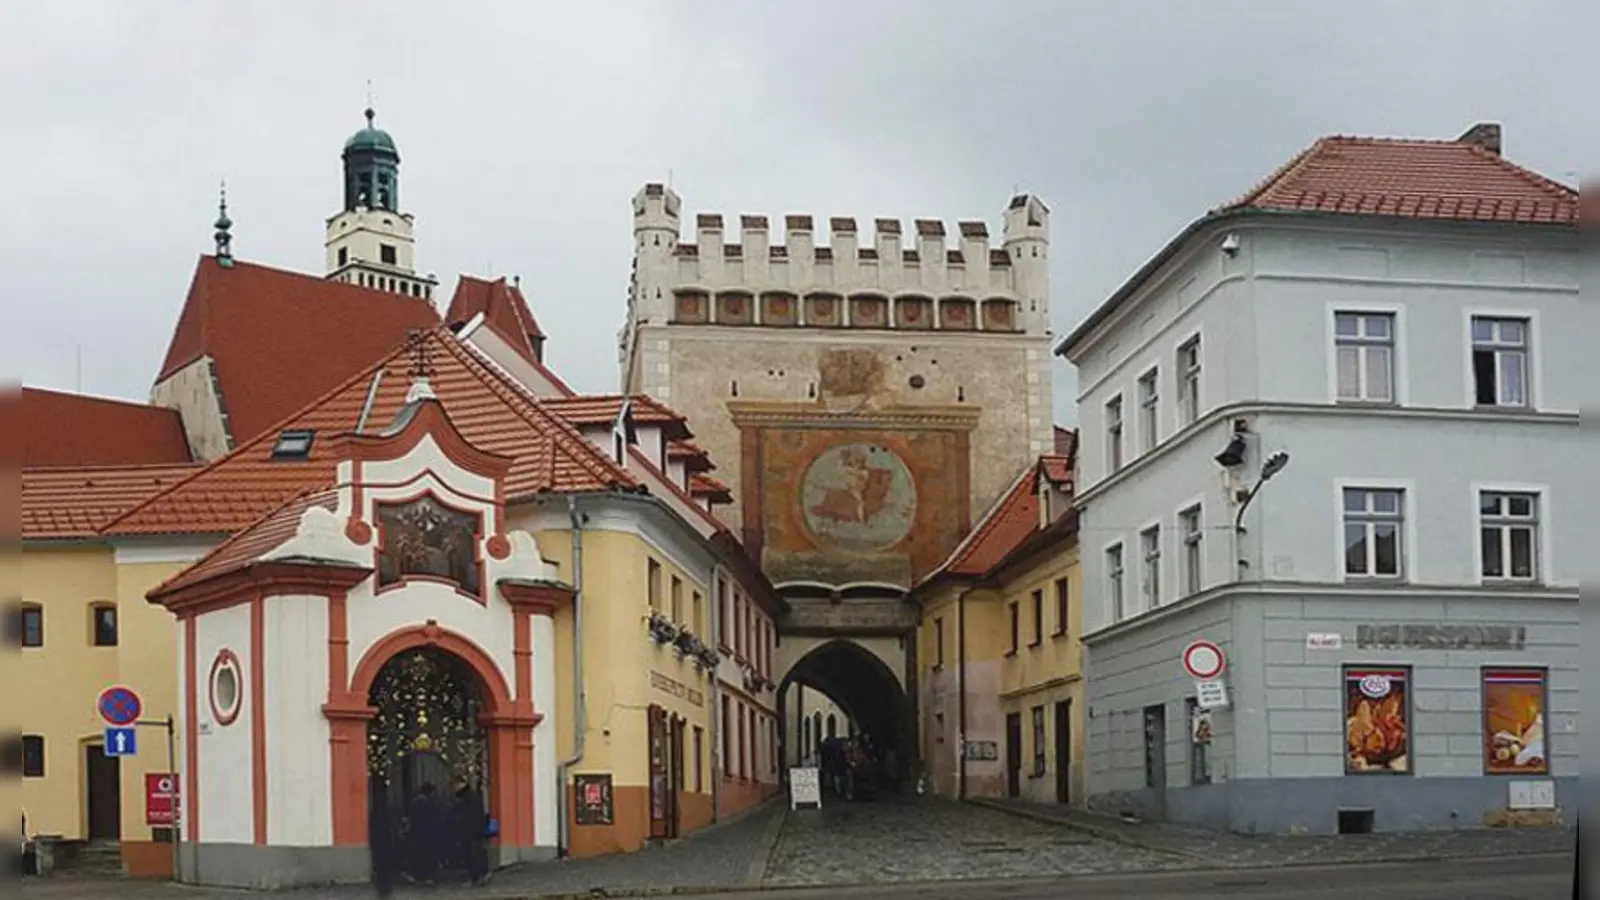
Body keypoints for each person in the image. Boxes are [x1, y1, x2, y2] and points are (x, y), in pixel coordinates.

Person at [452, 778, 490, 887]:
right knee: (476, 852)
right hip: (474, 831)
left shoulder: (467, 798)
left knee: (471, 855)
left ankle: (476, 877)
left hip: (470, 831)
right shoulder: (471, 796)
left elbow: (467, 815)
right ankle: (480, 875)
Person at [406, 782, 443, 884]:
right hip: (427, 832)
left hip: (418, 832)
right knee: (428, 855)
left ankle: (416, 875)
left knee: (418, 854)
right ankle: (428, 876)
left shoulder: (416, 801)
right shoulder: (428, 802)